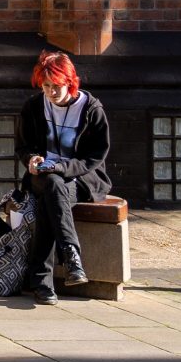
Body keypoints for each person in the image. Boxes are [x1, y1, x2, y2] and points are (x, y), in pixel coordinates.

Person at [15, 48, 111, 303]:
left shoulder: (91, 109)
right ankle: (71, 258)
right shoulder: (34, 106)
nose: (50, 92)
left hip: (82, 178)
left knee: (52, 194)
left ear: (70, 82)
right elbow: (23, 146)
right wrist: (32, 159)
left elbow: (95, 156)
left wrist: (61, 168)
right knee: (52, 186)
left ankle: (41, 280)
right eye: (46, 86)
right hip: (43, 177)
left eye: (56, 86)